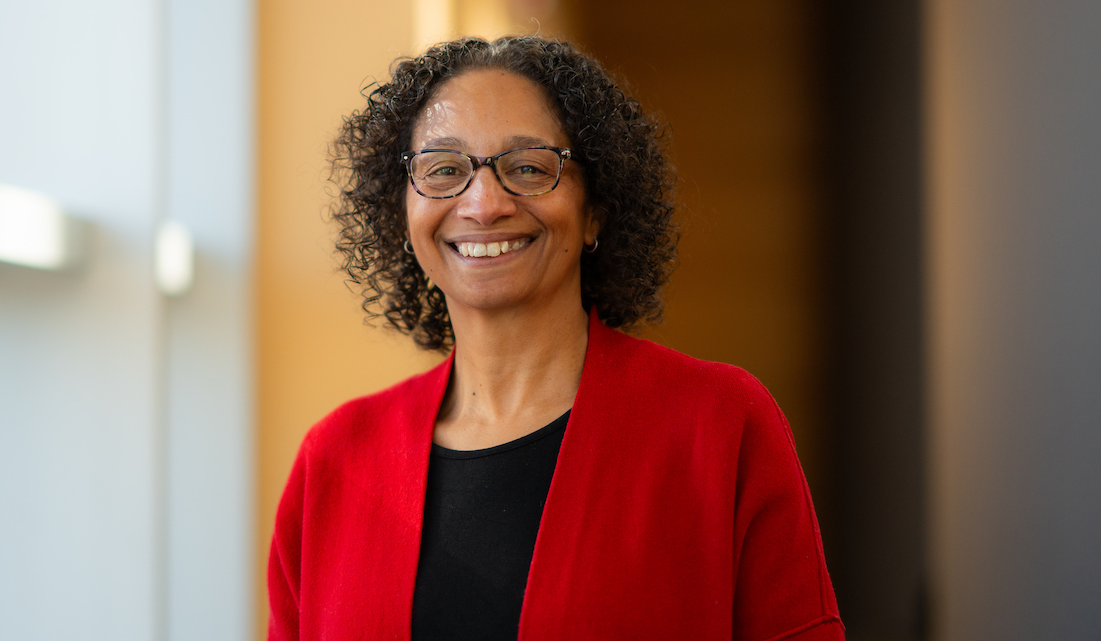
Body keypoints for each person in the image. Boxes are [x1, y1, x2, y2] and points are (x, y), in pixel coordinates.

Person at [267, 36, 844, 641]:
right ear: (403, 214)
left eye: (529, 168)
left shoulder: (719, 426)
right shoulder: (332, 462)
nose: (484, 203)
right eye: (443, 170)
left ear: (596, 208)